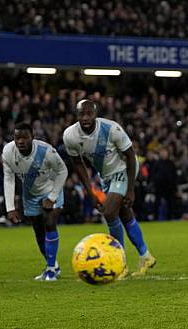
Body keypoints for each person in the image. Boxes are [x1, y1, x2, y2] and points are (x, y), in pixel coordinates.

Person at [63, 99, 156, 278]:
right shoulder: (70, 135)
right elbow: (78, 163)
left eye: (89, 113)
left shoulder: (111, 129)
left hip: (124, 169)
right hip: (106, 175)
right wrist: (90, 191)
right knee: (124, 214)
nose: (85, 118)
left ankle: (119, 265)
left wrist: (130, 189)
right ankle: (146, 256)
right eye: (81, 114)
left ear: (95, 114)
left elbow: (130, 155)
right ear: (76, 115)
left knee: (109, 212)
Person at [2, 122, 68, 281]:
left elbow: (62, 170)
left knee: (49, 221)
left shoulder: (47, 151)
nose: (20, 141)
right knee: (38, 231)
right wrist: (10, 208)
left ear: (32, 137)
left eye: (24, 137)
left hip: (51, 189)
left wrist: (52, 198)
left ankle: (51, 270)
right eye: (17, 138)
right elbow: (9, 179)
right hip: (30, 194)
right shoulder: (8, 152)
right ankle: (52, 265)